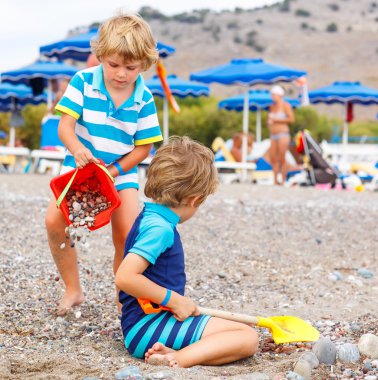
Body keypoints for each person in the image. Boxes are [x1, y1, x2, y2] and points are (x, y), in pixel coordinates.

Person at [45, 12, 163, 316]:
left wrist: (111, 172)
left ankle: (123, 297)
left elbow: (144, 147)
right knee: (55, 223)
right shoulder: (83, 81)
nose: (121, 73)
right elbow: (65, 127)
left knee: (126, 233)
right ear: (100, 56)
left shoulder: (144, 97)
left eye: (131, 67)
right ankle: (73, 289)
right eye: (113, 65)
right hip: (80, 167)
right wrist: (78, 149)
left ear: (145, 64)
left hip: (120, 173)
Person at [115, 136, 259, 368]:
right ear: (194, 200)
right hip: (147, 327)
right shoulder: (159, 229)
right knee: (248, 338)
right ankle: (179, 358)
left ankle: (171, 351)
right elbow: (124, 277)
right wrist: (174, 300)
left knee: (235, 328)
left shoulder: (150, 217)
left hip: (144, 324)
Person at [267, 85, 295, 185]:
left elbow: (291, 119)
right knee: (273, 158)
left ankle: (283, 180)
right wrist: (270, 122)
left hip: (283, 134)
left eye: (273, 94)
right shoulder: (272, 107)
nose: (272, 96)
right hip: (273, 134)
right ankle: (275, 180)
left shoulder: (286, 106)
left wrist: (276, 120)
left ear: (279, 95)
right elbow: (270, 120)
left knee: (282, 158)